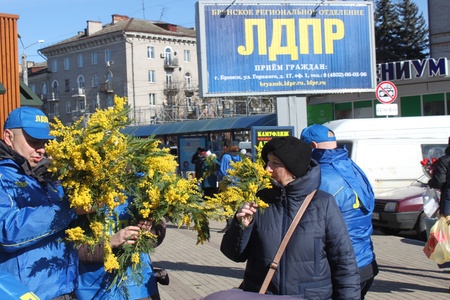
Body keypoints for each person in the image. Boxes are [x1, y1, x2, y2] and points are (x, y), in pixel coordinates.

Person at [220, 136, 360, 299]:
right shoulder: (258, 200)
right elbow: (234, 254)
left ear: (294, 168)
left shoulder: (323, 203)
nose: (267, 169)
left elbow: (344, 263)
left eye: (276, 163)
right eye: (268, 162)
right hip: (264, 294)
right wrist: (241, 226)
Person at [0, 107, 78, 299]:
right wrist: (68, 210)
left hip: (65, 289)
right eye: (33, 142)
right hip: (25, 293)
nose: (41, 149)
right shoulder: (2, 177)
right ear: (9, 137)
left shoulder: (48, 178)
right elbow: (7, 232)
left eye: (44, 142)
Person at [300, 124, 379, 299]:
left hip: (341, 268)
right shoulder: (353, 168)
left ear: (312, 146)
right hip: (366, 260)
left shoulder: (321, 177)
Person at [76, 188, 166, 299]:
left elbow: (158, 231)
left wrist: (148, 230)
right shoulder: (79, 190)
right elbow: (66, 249)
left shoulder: (142, 185)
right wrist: (109, 243)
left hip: (138, 287)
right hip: (94, 288)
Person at [217, 140, 242, 231]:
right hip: (238, 184)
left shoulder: (226, 156)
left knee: (227, 205)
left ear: (225, 147)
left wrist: (216, 173)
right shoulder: (239, 156)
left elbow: (223, 171)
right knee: (237, 204)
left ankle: (229, 225)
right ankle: (238, 224)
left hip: (228, 184)